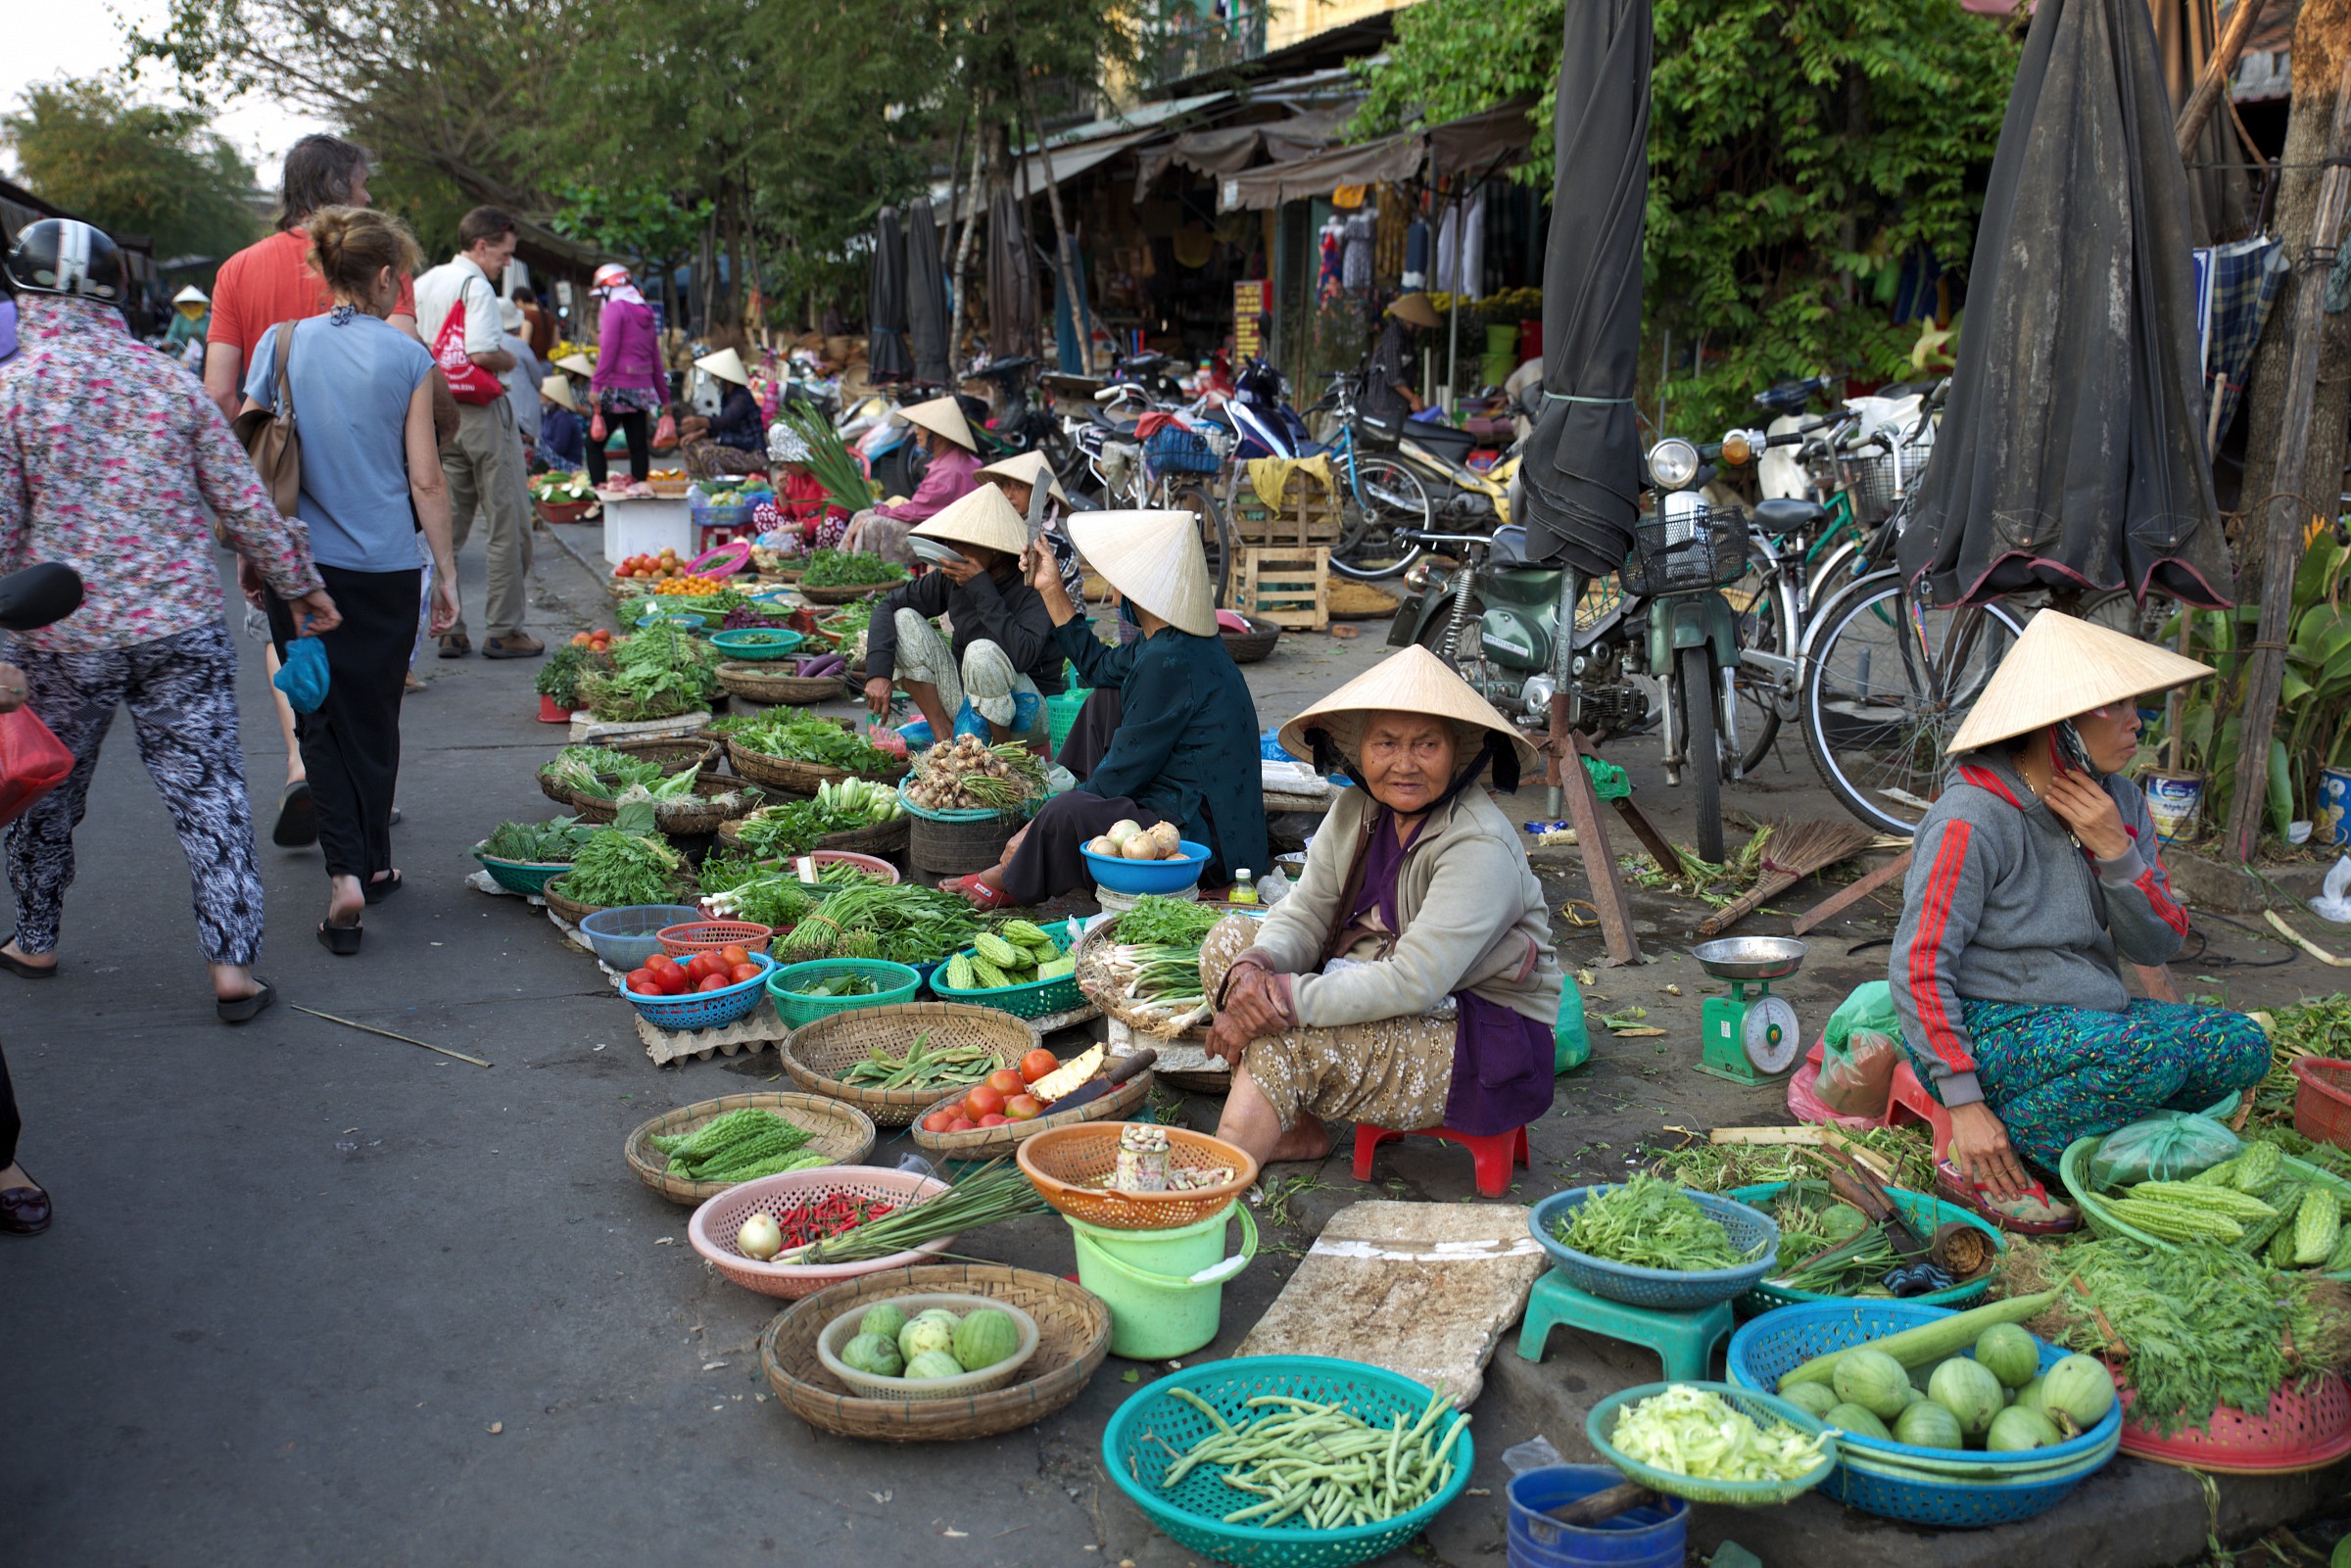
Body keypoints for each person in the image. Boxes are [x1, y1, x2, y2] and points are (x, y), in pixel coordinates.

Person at [0, 218, 338, 1022]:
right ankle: (232, 969)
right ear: (119, 293)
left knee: (47, 794)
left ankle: (37, 937)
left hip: (61, 639)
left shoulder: (12, 392)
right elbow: (243, 502)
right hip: (180, 625)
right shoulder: (166, 382)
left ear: (28, 293)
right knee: (211, 796)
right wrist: (301, 584)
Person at [1888, 611, 2268, 1225]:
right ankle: (1988, 1148)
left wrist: (2118, 856)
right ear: (2054, 725)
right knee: (2148, 1060)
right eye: (2111, 708)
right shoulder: (1971, 819)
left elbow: (2157, 942)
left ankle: (2086, 1127)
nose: (2134, 722)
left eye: (2134, 705)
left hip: (2093, 1022)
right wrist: (1963, 1101)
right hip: (1991, 1025)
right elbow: (1920, 967)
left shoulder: (2122, 804)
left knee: (2238, 1044)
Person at [1195, 646, 1562, 1166]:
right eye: (1385, 743)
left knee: (1287, 1040)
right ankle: (1292, 1129)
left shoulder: (1478, 844)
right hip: (1385, 984)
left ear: (1457, 752)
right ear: (1361, 750)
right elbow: (1305, 913)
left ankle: (1213, 1180)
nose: (1404, 764)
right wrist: (1256, 973)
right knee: (1229, 948)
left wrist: (1278, 1000)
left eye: (1426, 745)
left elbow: (1413, 980)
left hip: (1484, 1035)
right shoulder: (1358, 808)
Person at [240, 208, 459, 954]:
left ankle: (345, 879)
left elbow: (252, 460)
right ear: (389, 277)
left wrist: (251, 551)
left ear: (326, 271)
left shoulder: (279, 344)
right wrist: (449, 576)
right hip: (389, 570)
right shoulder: (408, 358)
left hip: (298, 570)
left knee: (319, 717)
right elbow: (426, 481)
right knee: (375, 714)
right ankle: (374, 859)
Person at [205, 132, 421, 848]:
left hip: (282, 506)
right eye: (362, 183)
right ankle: (364, 811)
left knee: (285, 630)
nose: (368, 196)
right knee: (373, 673)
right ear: (338, 184)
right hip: (376, 515)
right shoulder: (382, 258)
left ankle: (305, 761)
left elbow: (219, 394)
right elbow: (413, 377)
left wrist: (243, 507)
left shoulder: (238, 269)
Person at [945, 509, 1266, 908]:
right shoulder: (1162, 643)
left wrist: (1035, 827)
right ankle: (1059, 843)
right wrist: (1050, 589)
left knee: (1067, 812)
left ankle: (1011, 877)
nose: (1112, 590)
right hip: (1185, 799)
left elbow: (1116, 777)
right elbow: (1098, 667)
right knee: (1105, 698)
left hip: (1204, 844)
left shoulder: (1170, 661)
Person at [416, 206, 540, 660]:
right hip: (483, 413)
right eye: (504, 255)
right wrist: (513, 361)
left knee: (446, 524)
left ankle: (449, 625)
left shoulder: (425, 282)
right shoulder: (476, 286)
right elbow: (483, 351)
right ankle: (505, 628)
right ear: (482, 245)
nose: (507, 264)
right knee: (507, 523)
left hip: (436, 412)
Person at [861, 487, 1065, 743]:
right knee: (903, 619)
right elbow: (887, 606)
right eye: (950, 542)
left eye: (962, 542)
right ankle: (944, 736)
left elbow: (1022, 655)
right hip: (969, 700)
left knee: (981, 652)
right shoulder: (952, 577)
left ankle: (999, 761)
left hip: (1028, 712)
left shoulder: (1033, 583)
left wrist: (981, 586)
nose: (953, 550)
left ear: (993, 547)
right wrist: (878, 671)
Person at [841, 395, 983, 565]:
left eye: (922, 427)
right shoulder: (952, 459)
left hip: (944, 537)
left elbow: (917, 510)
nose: (917, 432)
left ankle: (859, 574)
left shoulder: (947, 470)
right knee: (862, 515)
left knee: (870, 524)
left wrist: (880, 512)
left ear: (938, 434)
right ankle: (841, 566)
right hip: (937, 526)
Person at [586, 263, 663, 497]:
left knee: (593, 444)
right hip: (641, 390)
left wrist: (596, 385)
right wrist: (664, 396)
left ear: (609, 288)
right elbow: (655, 358)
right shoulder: (645, 312)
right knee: (637, 446)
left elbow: (608, 350)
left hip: (616, 389)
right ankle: (639, 493)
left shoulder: (615, 310)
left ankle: (601, 499)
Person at [678, 348, 768, 479]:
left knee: (707, 454)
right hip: (735, 445)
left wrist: (700, 422)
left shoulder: (741, 396)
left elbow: (728, 419)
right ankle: (700, 484)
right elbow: (724, 427)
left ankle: (721, 488)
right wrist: (700, 433)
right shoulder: (727, 395)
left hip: (752, 452)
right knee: (690, 446)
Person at [759, 421, 847, 552]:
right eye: (783, 463)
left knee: (831, 526)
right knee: (762, 512)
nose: (785, 467)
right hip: (800, 535)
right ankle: (787, 552)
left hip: (819, 536)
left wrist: (791, 528)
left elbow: (832, 515)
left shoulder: (829, 473)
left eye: (788, 462)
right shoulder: (794, 475)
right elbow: (788, 512)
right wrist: (781, 491)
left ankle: (809, 556)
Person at [1362, 292, 1440, 428]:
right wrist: (1413, 398)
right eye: (1420, 325)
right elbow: (1393, 378)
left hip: (1397, 406)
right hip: (1384, 404)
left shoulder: (1407, 338)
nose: (1421, 329)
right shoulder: (1394, 336)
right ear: (1411, 321)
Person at [499, 297, 545, 462]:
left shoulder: (478, 344)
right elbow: (538, 380)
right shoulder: (519, 345)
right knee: (523, 469)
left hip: (495, 416)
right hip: (522, 415)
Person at [539, 375, 588, 470]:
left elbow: (560, 448)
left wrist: (539, 443)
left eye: (543, 393)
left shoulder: (563, 417)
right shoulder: (547, 414)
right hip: (556, 457)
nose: (540, 395)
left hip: (569, 464)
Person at [164, 284, 210, 372]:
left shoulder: (206, 319)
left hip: (203, 356)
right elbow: (172, 332)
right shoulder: (179, 318)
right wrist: (167, 341)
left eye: (191, 302)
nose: (188, 304)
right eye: (186, 302)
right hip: (183, 354)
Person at [514, 285, 557, 361]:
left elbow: (525, 343)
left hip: (533, 363)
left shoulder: (529, 317)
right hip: (546, 363)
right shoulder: (550, 316)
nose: (517, 308)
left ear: (519, 300)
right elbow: (555, 343)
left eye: (516, 304)